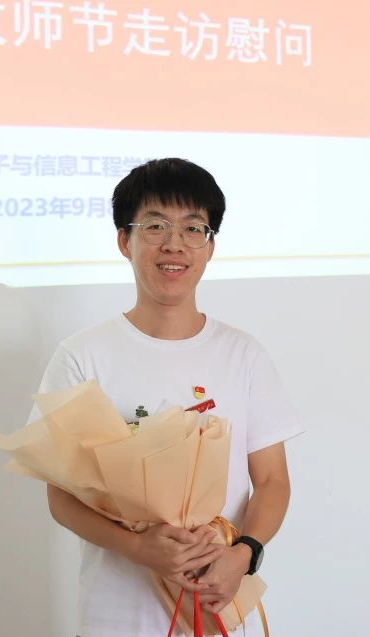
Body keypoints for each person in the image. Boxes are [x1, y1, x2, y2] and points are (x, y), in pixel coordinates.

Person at [38, 158, 302, 637]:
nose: (174, 244)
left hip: (218, 605)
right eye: (155, 226)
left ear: (210, 245)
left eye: (193, 228)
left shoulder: (243, 354)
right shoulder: (82, 356)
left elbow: (272, 481)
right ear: (125, 240)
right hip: (114, 616)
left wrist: (242, 555)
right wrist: (138, 548)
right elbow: (61, 497)